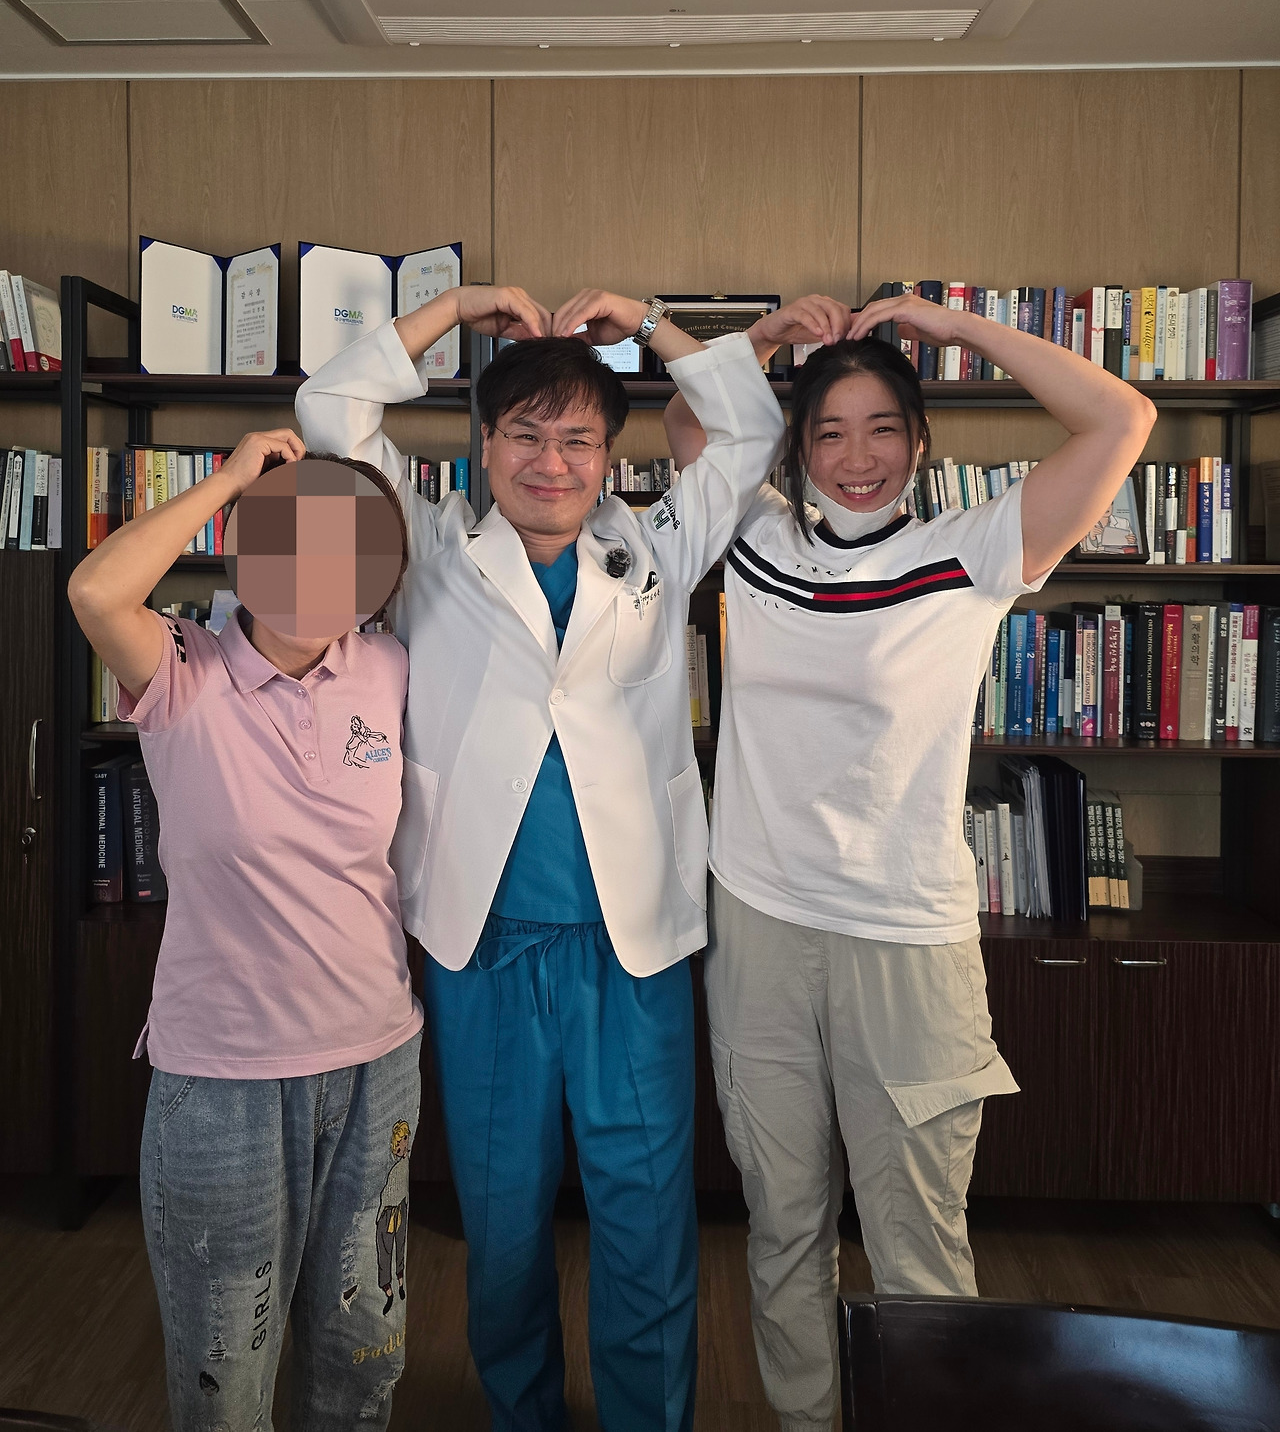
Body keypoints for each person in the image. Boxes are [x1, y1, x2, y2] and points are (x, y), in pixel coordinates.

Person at [296, 285, 833, 1432]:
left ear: (607, 455)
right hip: (482, 941)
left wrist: (647, 323)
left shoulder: (653, 544)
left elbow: (745, 430)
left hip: (628, 946)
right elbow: (329, 406)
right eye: (525, 434)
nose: (551, 461)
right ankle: (522, 1410)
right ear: (483, 444)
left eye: (578, 438)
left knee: (645, 1213)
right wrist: (455, 305)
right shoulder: (428, 542)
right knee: (499, 1215)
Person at [665, 290, 1156, 1432]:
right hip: (758, 925)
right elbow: (693, 421)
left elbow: (1121, 419)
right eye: (828, 431)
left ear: (920, 440)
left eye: (882, 428)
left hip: (906, 940)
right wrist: (764, 341)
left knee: (917, 1242)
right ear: (796, 445)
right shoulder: (757, 535)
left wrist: (963, 331)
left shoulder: (974, 548)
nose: (856, 457)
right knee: (783, 1223)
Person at [68, 437, 422, 1432]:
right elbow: (95, 591)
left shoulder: (387, 666)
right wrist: (228, 482)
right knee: (227, 1379)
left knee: (363, 1360)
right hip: (225, 1075)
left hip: (377, 1059)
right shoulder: (182, 665)